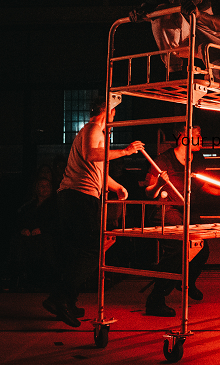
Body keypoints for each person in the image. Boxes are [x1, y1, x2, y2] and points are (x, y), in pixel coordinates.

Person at [42, 96, 144, 327]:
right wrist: (126, 151)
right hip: (79, 197)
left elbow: (95, 166)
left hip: (76, 195)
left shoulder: (93, 132)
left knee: (79, 250)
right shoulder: (93, 129)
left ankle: (66, 299)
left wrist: (116, 186)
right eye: (114, 111)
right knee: (92, 249)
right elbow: (92, 155)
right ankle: (59, 298)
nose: (115, 115)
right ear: (107, 110)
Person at [142, 125, 220, 317]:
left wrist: (218, 191)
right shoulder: (163, 160)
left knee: (201, 248)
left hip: (186, 209)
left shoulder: (197, 158)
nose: (201, 139)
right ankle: (156, 299)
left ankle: (186, 282)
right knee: (179, 248)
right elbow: (149, 192)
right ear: (183, 137)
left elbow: (200, 183)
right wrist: (158, 183)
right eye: (197, 136)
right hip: (166, 208)